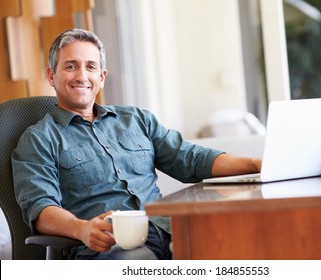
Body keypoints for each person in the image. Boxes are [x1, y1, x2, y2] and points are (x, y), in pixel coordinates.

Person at [11, 28, 261, 260]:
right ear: (51, 75)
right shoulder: (38, 139)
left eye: (90, 66)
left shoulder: (136, 120)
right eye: (70, 66)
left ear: (102, 76)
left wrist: (257, 164)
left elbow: (190, 158)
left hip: (168, 230)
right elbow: (40, 208)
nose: (82, 76)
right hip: (109, 247)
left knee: (242, 245)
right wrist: (83, 229)